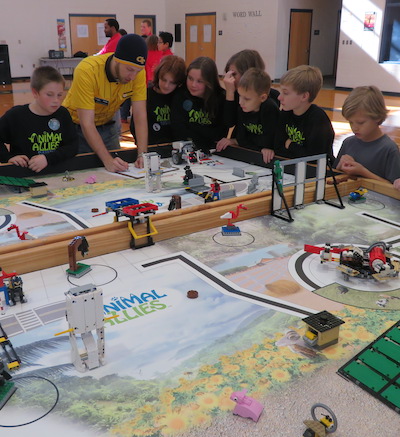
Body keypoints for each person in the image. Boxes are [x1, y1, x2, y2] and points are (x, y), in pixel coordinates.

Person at [63, 34, 148, 172]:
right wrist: (107, 160)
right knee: (82, 175)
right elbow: (87, 123)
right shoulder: (87, 70)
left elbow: (140, 116)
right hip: (76, 128)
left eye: (137, 71)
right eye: (129, 70)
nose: (132, 77)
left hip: (108, 126)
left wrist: (142, 154)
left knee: (117, 173)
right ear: (117, 60)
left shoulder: (138, 73)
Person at [0, 66, 78, 172]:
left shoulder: (63, 114)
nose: (56, 100)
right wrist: (7, 158)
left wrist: (47, 159)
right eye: (49, 95)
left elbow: (73, 146)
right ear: (35, 93)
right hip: (24, 174)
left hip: (57, 172)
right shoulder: (16, 115)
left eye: (59, 95)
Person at [334, 85, 400, 190]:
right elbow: (335, 177)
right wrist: (340, 166)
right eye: (351, 122)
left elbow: (393, 189)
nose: (354, 128)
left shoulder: (389, 149)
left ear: (377, 118)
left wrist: (363, 172)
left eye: (360, 123)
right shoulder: (348, 143)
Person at [216, 68, 279, 163]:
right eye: (240, 96)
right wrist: (235, 141)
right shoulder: (244, 107)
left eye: (247, 99)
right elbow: (242, 139)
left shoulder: (269, 109)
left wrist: (263, 147)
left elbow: (268, 142)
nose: (241, 102)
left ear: (263, 98)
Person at [274, 65, 334, 161]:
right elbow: (277, 147)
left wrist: (290, 145)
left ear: (304, 96)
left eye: (285, 93)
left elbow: (314, 158)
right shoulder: (286, 113)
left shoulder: (318, 119)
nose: (279, 97)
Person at [171, 57, 227, 152]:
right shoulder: (180, 95)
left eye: (199, 81)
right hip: (184, 149)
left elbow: (219, 133)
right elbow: (178, 130)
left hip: (213, 151)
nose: (193, 85)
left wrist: (193, 128)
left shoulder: (221, 98)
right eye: (190, 78)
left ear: (210, 82)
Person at [131, 55, 186, 145]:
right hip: (151, 147)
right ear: (158, 76)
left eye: (172, 82)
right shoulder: (146, 95)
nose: (166, 85)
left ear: (179, 83)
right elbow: (135, 126)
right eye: (164, 80)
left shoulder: (180, 96)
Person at [223, 49, 280, 129]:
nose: (229, 78)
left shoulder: (272, 97)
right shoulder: (236, 92)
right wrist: (229, 93)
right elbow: (229, 123)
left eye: (234, 74)